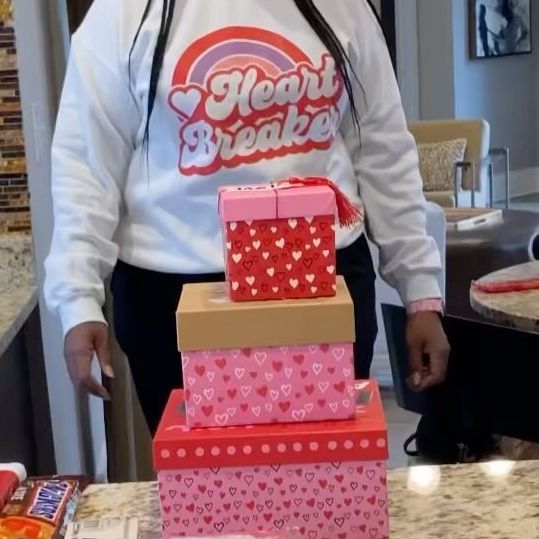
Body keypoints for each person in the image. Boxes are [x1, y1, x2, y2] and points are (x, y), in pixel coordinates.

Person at [46, 0, 450, 434]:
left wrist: (420, 292)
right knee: (205, 489)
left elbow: (383, 149)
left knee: (326, 477)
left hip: (320, 286)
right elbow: (87, 165)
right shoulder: (123, 11)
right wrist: (78, 299)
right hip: (172, 297)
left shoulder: (343, 7)